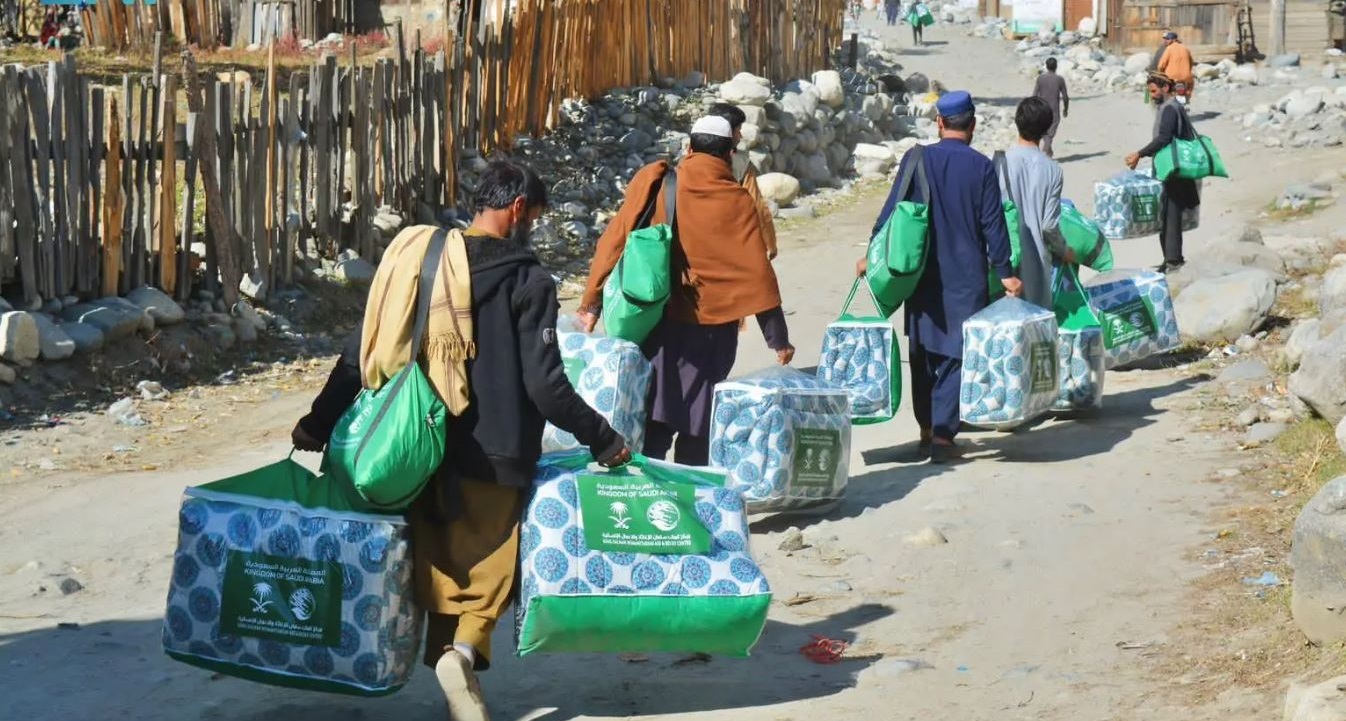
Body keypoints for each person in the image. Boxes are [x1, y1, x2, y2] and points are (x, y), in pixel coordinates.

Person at [292, 160, 631, 721]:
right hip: (493, 453)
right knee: (491, 569)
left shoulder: (422, 264)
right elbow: (546, 386)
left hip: (415, 451)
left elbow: (361, 353)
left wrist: (317, 422)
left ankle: (455, 678)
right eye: (536, 217)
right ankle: (462, 654)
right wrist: (604, 438)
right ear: (518, 209)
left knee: (441, 562)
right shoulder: (529, 279)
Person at [578, 115, 794, 466]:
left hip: (660, 320)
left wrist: (592, 302)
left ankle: (649, 495)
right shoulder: (737, 200)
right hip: (716, 331)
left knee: (655, 412)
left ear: (690, 148)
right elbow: (758, 271)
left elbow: (614, 240)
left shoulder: (660, 182)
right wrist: (777, 337)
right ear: (729, 154)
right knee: (700, 419)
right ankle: (688, 497)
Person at [856, 91, 1021, 464]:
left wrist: (871, 254)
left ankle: (927, 428)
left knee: (924, 351)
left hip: (921, 274)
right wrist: (1006, 273)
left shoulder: (918, 159)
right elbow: (994, 226)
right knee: (955, 355)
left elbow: (891, 211)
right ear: (973, 126)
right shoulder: (982, 168)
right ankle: (945, 436)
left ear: (940, 124)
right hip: (967, 278)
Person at [1001, 97, 1074, 309]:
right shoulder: (1053, 170)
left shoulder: (1000, 162)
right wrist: (1064, 250)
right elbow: (1049, 225)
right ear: (1047, 129)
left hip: (1004, 262)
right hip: (1036, 263)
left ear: (1017, 122)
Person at [1126, 72, 1200, 273]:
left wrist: (1139, 154)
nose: (1151, 96)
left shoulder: (1169, 108)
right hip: (1173, 169)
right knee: (1167, 215)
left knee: (1172, 215)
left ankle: (1174, 261)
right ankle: (1170, 258)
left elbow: (1164, 138)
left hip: (1174, 170)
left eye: (1153, 91)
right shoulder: (1172, 106)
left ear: (1165, 88)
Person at [710, 102, 779, 261]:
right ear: (728, 132)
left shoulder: (686, 161)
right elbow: (756, 203)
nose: (740, 136)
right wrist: (770, 243)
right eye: (738, 130)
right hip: (730, 241)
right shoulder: (740, 161)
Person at [1032, 57, 1070, 158]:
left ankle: (1048, 152)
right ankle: (1044, 154)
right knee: (1050, 134)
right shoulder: (1059, 79)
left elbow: (1034, 95)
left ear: (1046, 66)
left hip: (1041, 109)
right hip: (1054, 110)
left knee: (1045, 131)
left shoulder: (1040, 78)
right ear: (1056, 66)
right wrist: (1065, 109)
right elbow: (1065, 97)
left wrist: (1033, 108)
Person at [1157, 32, 1195, 105]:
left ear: (1174, 40)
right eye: (1164, 39)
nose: (1165, 41)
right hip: (1185, 77)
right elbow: (1191, 63)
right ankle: (1186, 99)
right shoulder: (1186, 48)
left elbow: (1161, 65)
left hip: (1171, 77)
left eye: (1167, 39)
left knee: (1165, 90)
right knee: (1190, 86)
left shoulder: (1169, 48)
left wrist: (1160, 73)